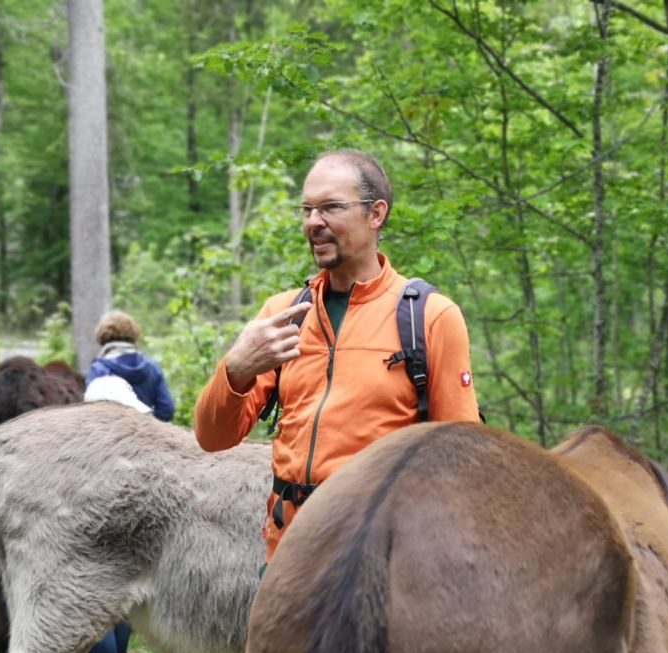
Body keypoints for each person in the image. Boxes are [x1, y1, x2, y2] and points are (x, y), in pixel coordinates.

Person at [194, 149, 480, 563]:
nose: (314, 222)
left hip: (379, 560)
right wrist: (235, 370)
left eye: (331, 207)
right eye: (307, 209)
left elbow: (461, 458)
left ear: (376, 213)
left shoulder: (430, 317)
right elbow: (212, 438)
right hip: (289, 555)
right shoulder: (284, 315)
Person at [44, 311, 174, 653]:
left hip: (126, 571)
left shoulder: (99, 372)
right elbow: (168, 410)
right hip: (93, 577)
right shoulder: (149, 370)